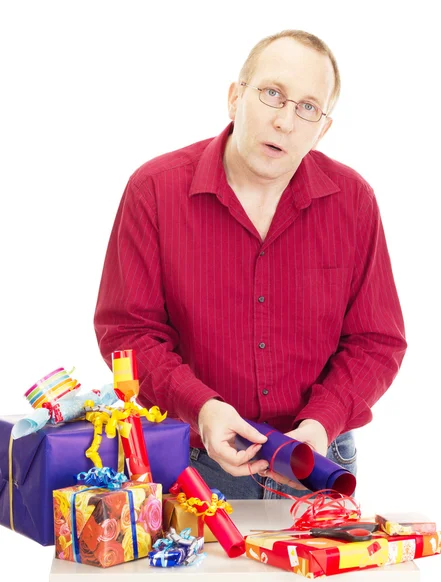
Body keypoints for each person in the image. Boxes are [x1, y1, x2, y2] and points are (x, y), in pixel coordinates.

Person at [94, 29, 407, 499]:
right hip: (194, 462)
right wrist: (201, 407)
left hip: (317, 459)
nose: (285, 121)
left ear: (322, 128)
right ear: (235, 97)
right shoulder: (154, 191)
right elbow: (128, 333)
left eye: (307, 107)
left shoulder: (354, 202)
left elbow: (377, 341)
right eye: (273, 94)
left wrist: (321, 423)